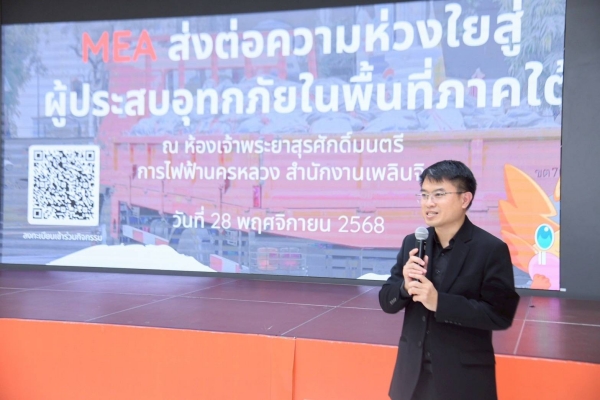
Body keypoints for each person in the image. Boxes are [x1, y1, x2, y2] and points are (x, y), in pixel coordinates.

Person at [379, 160, 519, 400]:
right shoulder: (413, 242)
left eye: (439, 194)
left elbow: (499, 315)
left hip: (462, 382)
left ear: (465, 199)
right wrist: (404, 288)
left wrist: (439, 302)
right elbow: (387, 301)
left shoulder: (490, 249)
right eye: (424, 195)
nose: (429, 203)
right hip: (411, 381)